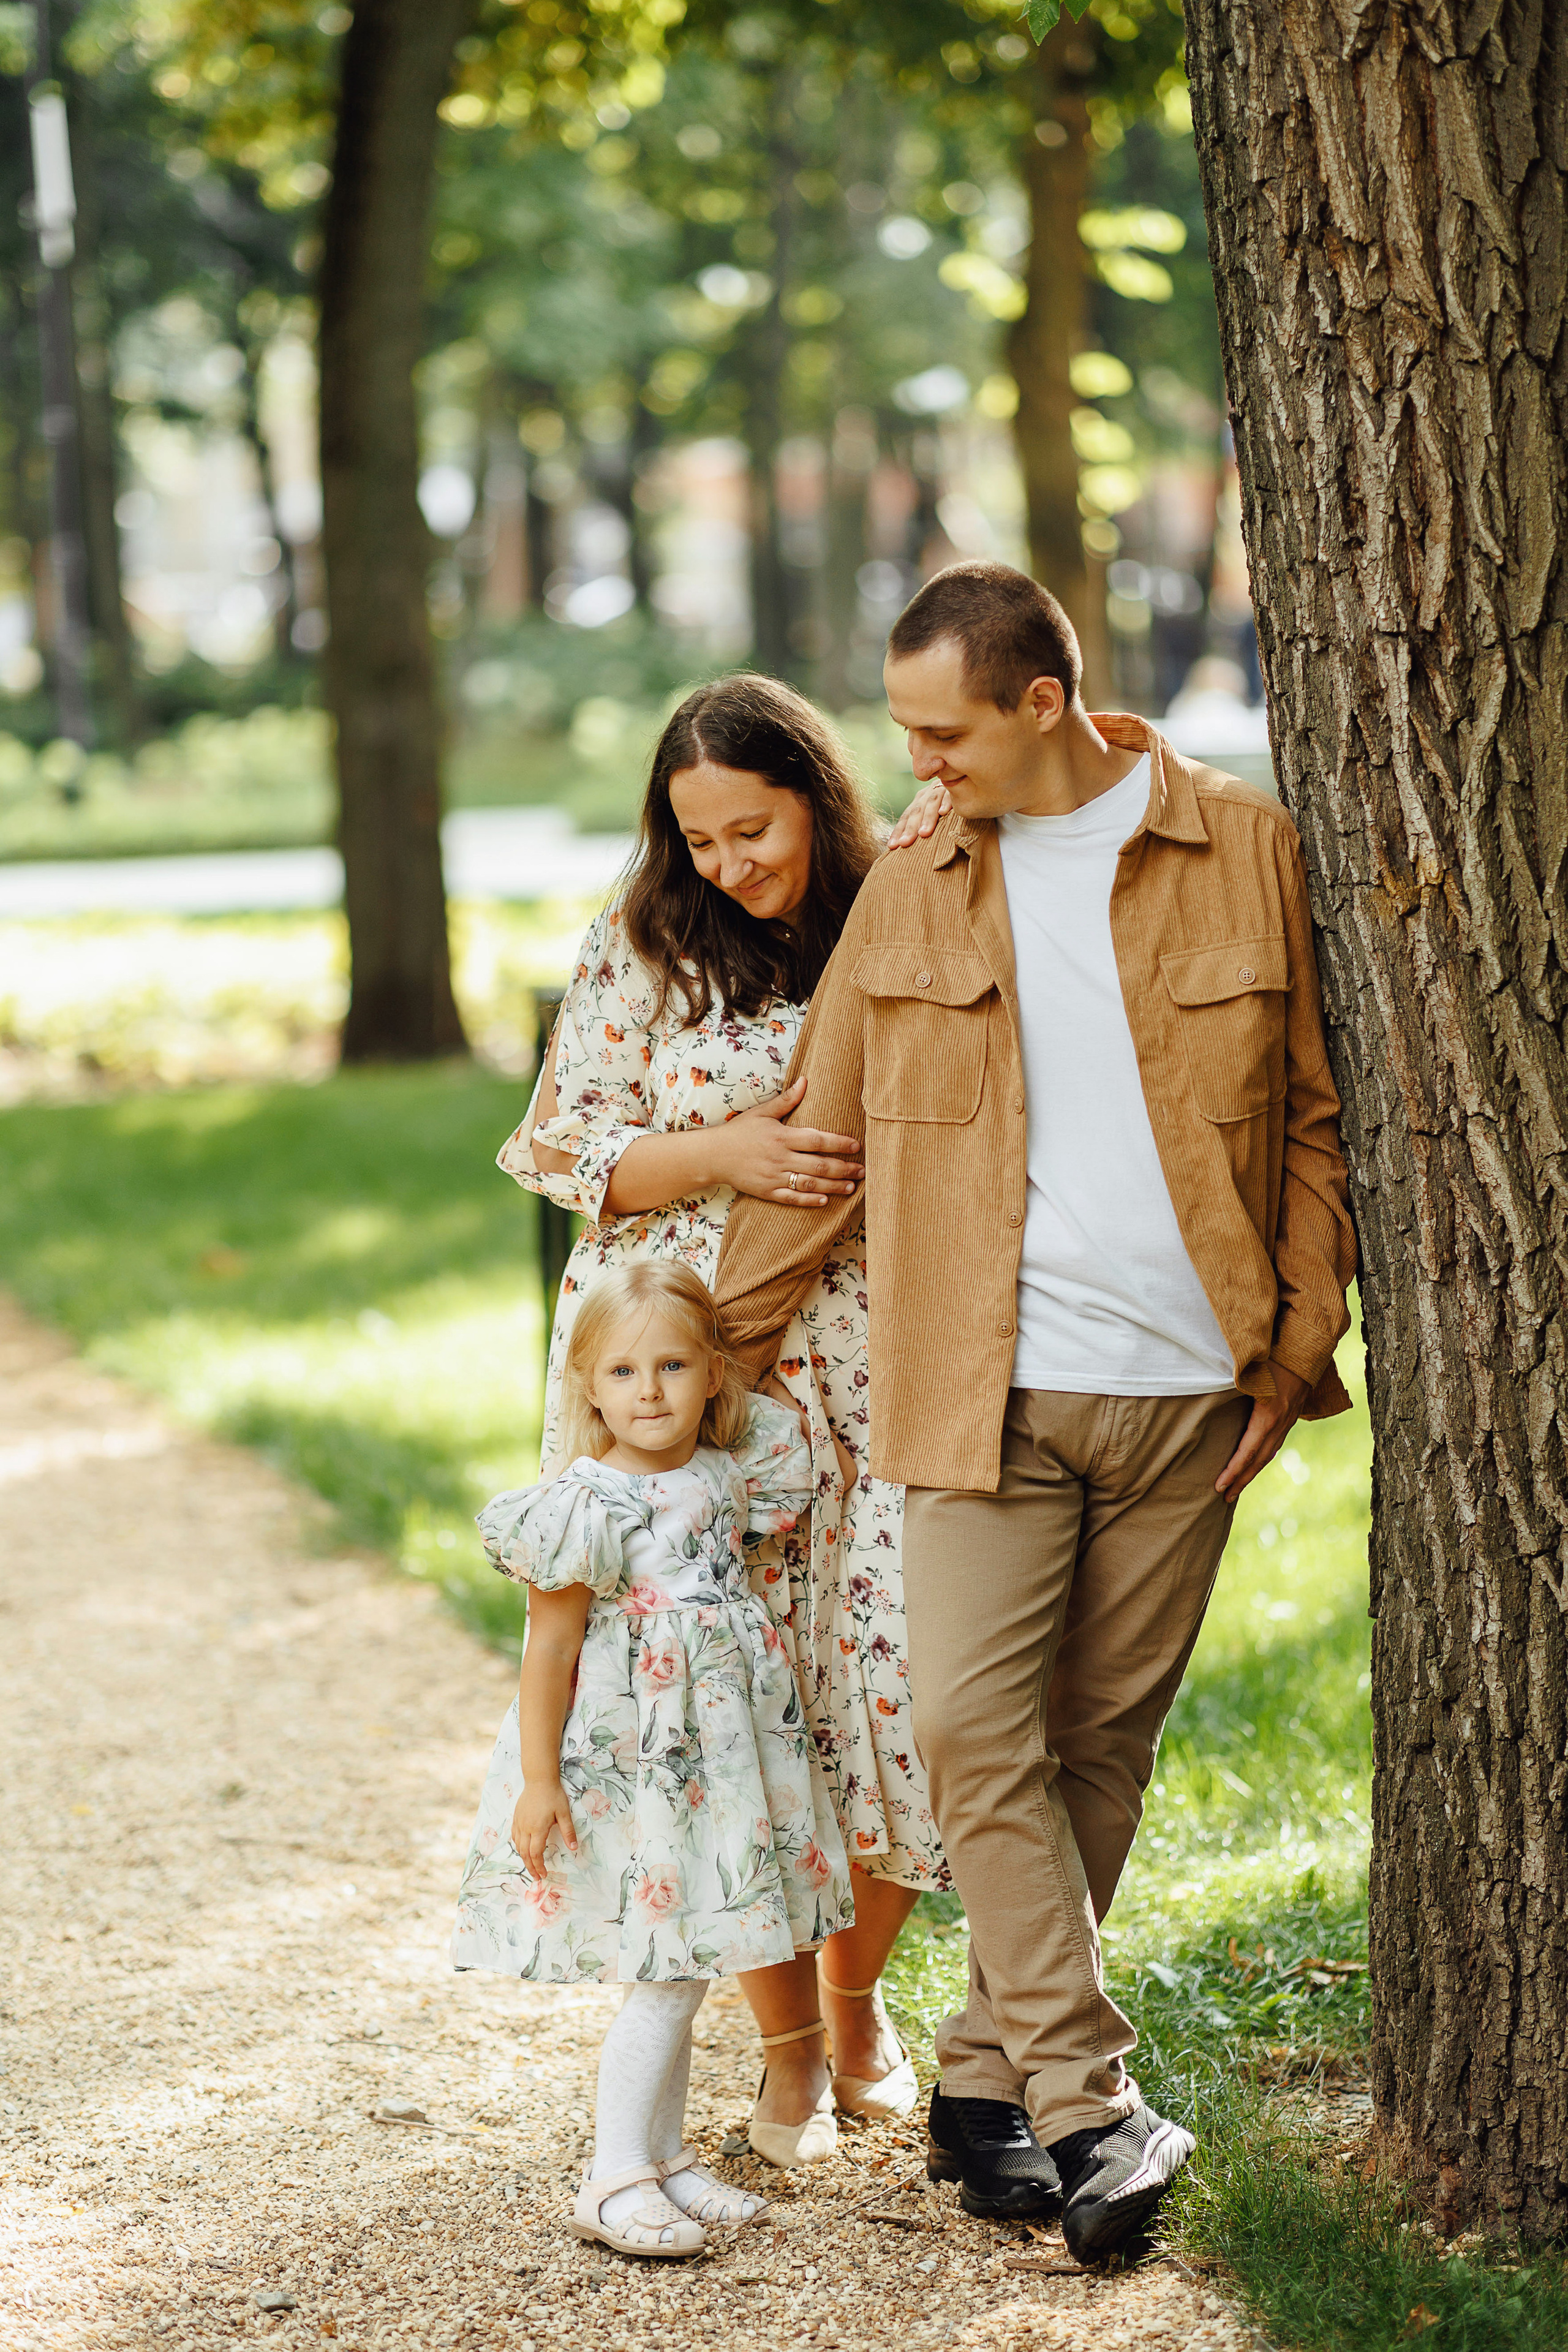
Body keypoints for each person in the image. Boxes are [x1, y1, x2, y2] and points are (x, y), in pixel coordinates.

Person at [714, 561, 1357, 2259]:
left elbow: (1310, 1116)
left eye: (941, 732)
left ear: (1038, 703)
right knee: (970, 1732)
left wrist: (1295, 1348)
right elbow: (818, 1139)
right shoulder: (913, 891)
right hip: (977, 1381)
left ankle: (987, 2086)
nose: (915, 767)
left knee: (1098, 1755)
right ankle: (1093, 2102)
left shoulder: (1243, 845)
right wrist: (704, 1354)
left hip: (1191, 1392)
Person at [497, 676, 951, 2166]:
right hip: (690, 1381)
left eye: (748, 831)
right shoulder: (645, 942)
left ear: (816, 800)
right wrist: (723, 1151)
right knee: (727, 1710)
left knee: (894, 1690)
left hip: (880, 1359)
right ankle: (785, 2048)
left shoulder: (899, 910)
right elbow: (561, 1149)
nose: (724, 866)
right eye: (694, 839)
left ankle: (855, 1995)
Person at [451, 1261, 854, 2257]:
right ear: (587, 1386)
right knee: (667, 1968)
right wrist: (542, 1780)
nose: (651, 1391)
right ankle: (613, 2173)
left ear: (713, 1373)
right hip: (634, 1762)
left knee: (692, 1955)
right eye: (624, 1371)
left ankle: (665, 2158)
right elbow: (549, 1650)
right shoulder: (581, 1504)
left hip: (718, 1758)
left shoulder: (728, 1475)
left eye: (674, 1365)